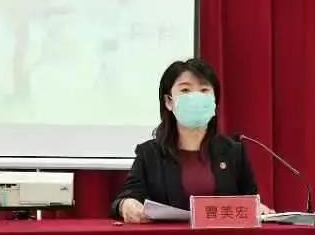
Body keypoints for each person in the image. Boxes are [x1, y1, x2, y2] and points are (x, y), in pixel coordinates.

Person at [112, 58, 272, 223]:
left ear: (214, 101)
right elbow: (127, 197)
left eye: (204, 90)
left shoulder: (233, 152)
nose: (196, 97)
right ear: (168, 102)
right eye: (185, 90)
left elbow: (251, 200)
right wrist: (126, 204)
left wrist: (258, 208)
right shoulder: (150, 154)